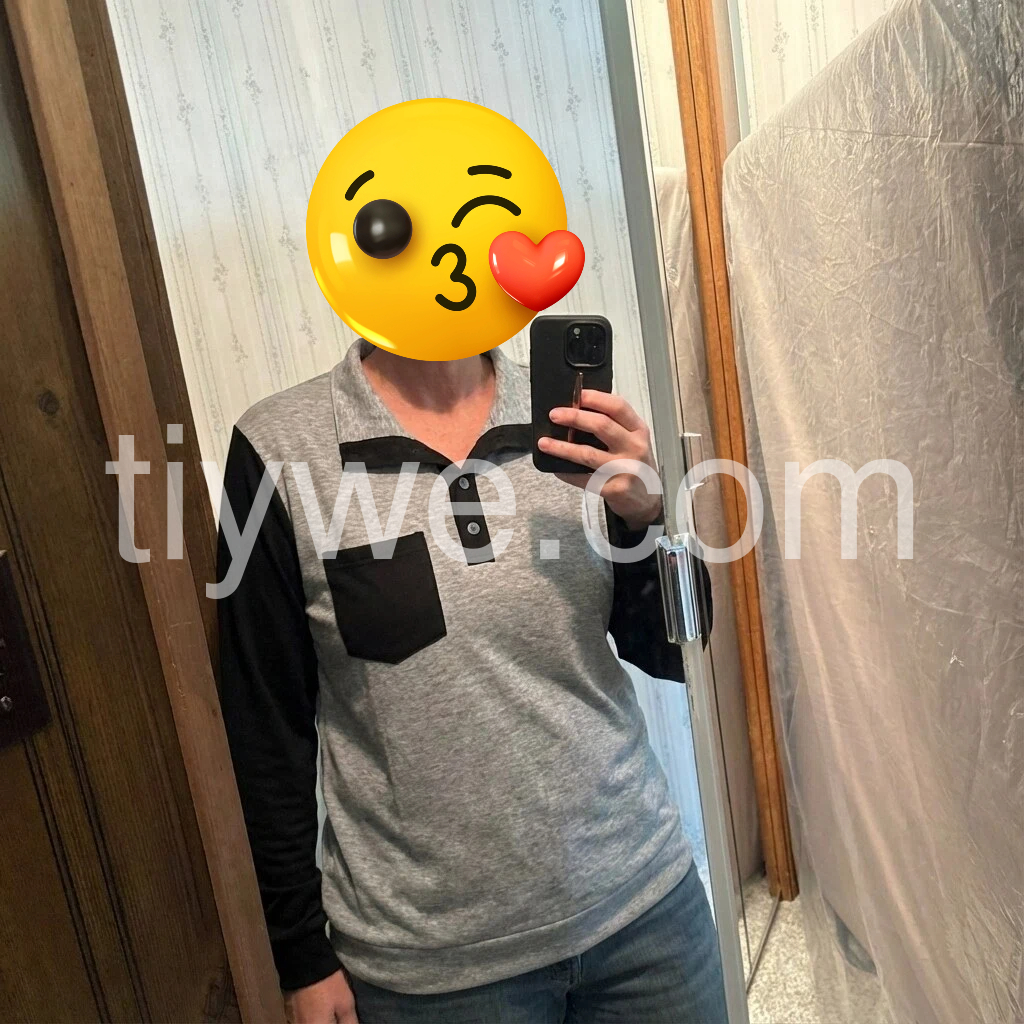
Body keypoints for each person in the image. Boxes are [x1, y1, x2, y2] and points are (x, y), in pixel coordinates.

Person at [216, 339, 725, 1024]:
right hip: (434, 971)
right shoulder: (280, 446)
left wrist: (647, 519)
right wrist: (300, 954)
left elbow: (675, 651)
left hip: (645, 915)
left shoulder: (569, 419)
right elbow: (263, 724)